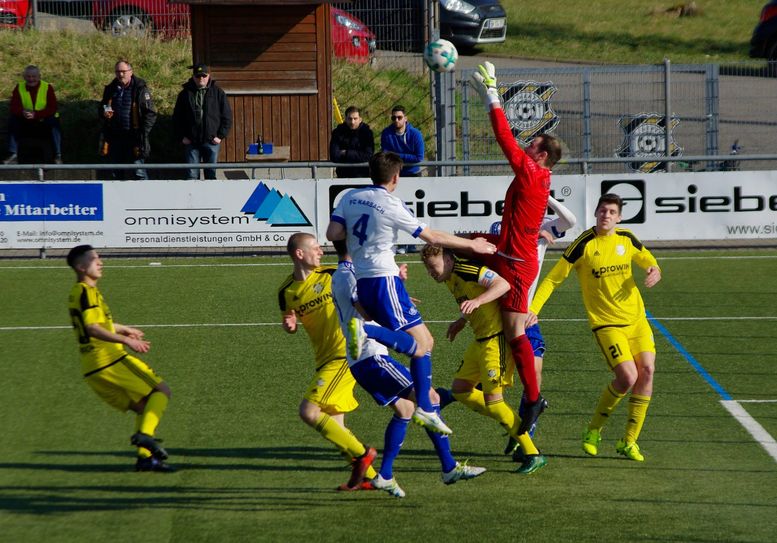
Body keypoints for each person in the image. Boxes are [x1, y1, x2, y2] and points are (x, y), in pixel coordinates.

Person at [326, 151, 497, 436]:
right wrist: (472, 246)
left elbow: (333, 232)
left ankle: (427, 411)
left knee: (421, 344)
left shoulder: (348, 197)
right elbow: (432, 237)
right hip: (383, 279)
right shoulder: (391, 203)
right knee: (424, 342)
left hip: (365, 282)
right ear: (396, 176)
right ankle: (366, 333)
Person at [330, 239, 486, 497]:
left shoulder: (345, 272)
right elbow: (365, 312)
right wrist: (390, 299)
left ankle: (386, 475)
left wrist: (395, 289)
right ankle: (449, 467)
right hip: (370, 356)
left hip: (363, 358)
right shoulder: (349, 274)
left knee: (405, 409)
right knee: (431, 396)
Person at [528, 193, 662, 462]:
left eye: (612, 212)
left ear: (619, 217)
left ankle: (629, 441)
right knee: (627, 377)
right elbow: (554, 279)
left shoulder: (627, 238)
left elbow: (647, 258)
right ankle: (593, 430)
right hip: (606, 324)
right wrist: (534, 309)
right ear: (596, 213)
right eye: (602, 210)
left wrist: (654, 270)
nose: (606, 215)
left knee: (647, 371)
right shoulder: (583, 245)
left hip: (636, 320)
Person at [471, 61, 562, 435]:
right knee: (463, 248)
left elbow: (505, 139)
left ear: (541, 155)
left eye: (534, 144)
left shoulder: (534, 172)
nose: (528, 144)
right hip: (506, 252)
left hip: (517, 263)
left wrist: (492, 93)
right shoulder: (536, 173)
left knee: (516, 333)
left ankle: (532, 397)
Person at [421, 244, 547, 474]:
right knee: (460, 390)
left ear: (448, 260)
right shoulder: (449, 277)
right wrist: (462, 320)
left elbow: (502, 285)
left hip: (496, 339)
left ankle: (533, 453)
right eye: (429, 270)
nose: (432, 273)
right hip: (480, 339)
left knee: (495, 402)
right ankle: (511, 422)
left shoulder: (467, 269)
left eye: (434, 267)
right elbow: (473, 296)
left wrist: (477, 303)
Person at [278, 232, 378, 489]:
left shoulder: (333, 274)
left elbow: (365, 286)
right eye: (315, 248)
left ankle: (363, 453)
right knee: (336, 429)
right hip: (323, 359)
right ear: (299, 254)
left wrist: (394, 289)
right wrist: (290, 325)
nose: (321, 251)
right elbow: (289, 320)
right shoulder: (286, 291)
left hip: (345, 354)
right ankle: (371, 480)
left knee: (309, 412)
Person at [66, 245, 173, 472]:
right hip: (109, 359)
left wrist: (122, 328)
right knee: (161, 391)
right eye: (95, 259)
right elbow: (92, 328)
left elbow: (96, 324)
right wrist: (126, 341)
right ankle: (144, 437)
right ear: (81, 266)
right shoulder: (87, 291)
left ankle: (146, 460)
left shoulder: (79, 292)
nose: (101, 262)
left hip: (92, 369)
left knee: (144, 407)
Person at [172, 63, 232, 180]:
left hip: (211, 141)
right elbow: (177, 118)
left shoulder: (218, 93)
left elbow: (227, 116)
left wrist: (220, 136)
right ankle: (193, 199)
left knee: (211, 174)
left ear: (208, 76)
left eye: (204, 76)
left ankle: (211, 198)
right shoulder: (184, 94)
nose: (201, 79)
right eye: (198, 76)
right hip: (191, 142)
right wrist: (182, 136)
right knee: (192, 175)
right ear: (193, 77)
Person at [99, 59, 156, 180]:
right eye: (118, 71)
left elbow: (150, 114)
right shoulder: (110, 89)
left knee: (139, 172)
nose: (120, 74)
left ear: (131, 72)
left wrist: (143, 133)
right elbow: (102, 107)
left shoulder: (141, 89)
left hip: (134, 137)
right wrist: (104, 112)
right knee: (115, 174)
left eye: (123, 71)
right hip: (115, 138)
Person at [4, 65, 63, 164]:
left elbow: (52, 108)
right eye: (28, 76)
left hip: (43, 119)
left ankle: (58, 155)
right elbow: (14, 106)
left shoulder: (47, 87)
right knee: (13, 121)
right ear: (24, 77)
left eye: (34, 76)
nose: (31, 79)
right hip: (25, 119)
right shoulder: (19, 87)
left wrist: (36, 115)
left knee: (54, 123)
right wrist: (22, 113)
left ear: (39, 76)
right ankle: (13, 154)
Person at [329, 105, 374, 178]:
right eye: (350, 119)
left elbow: (368, 156)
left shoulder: (367, 133)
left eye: (355, 119)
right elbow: (334, 156)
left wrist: (346, 153)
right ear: (345, 119)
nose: (352, 122)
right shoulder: (337, 132)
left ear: (360, 119)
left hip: (363, 177)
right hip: (343, 176)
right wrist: (358, 155)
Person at [380, 105, 424, 177]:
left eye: (399, 117)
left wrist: (396, 155)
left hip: (413, 173)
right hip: (393, 173)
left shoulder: (416, 134)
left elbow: (419, 157)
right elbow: (386, 155)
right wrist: (408, 157)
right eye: (393, 118)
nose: (396, 120)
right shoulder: (386, 133)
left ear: (405, 118)